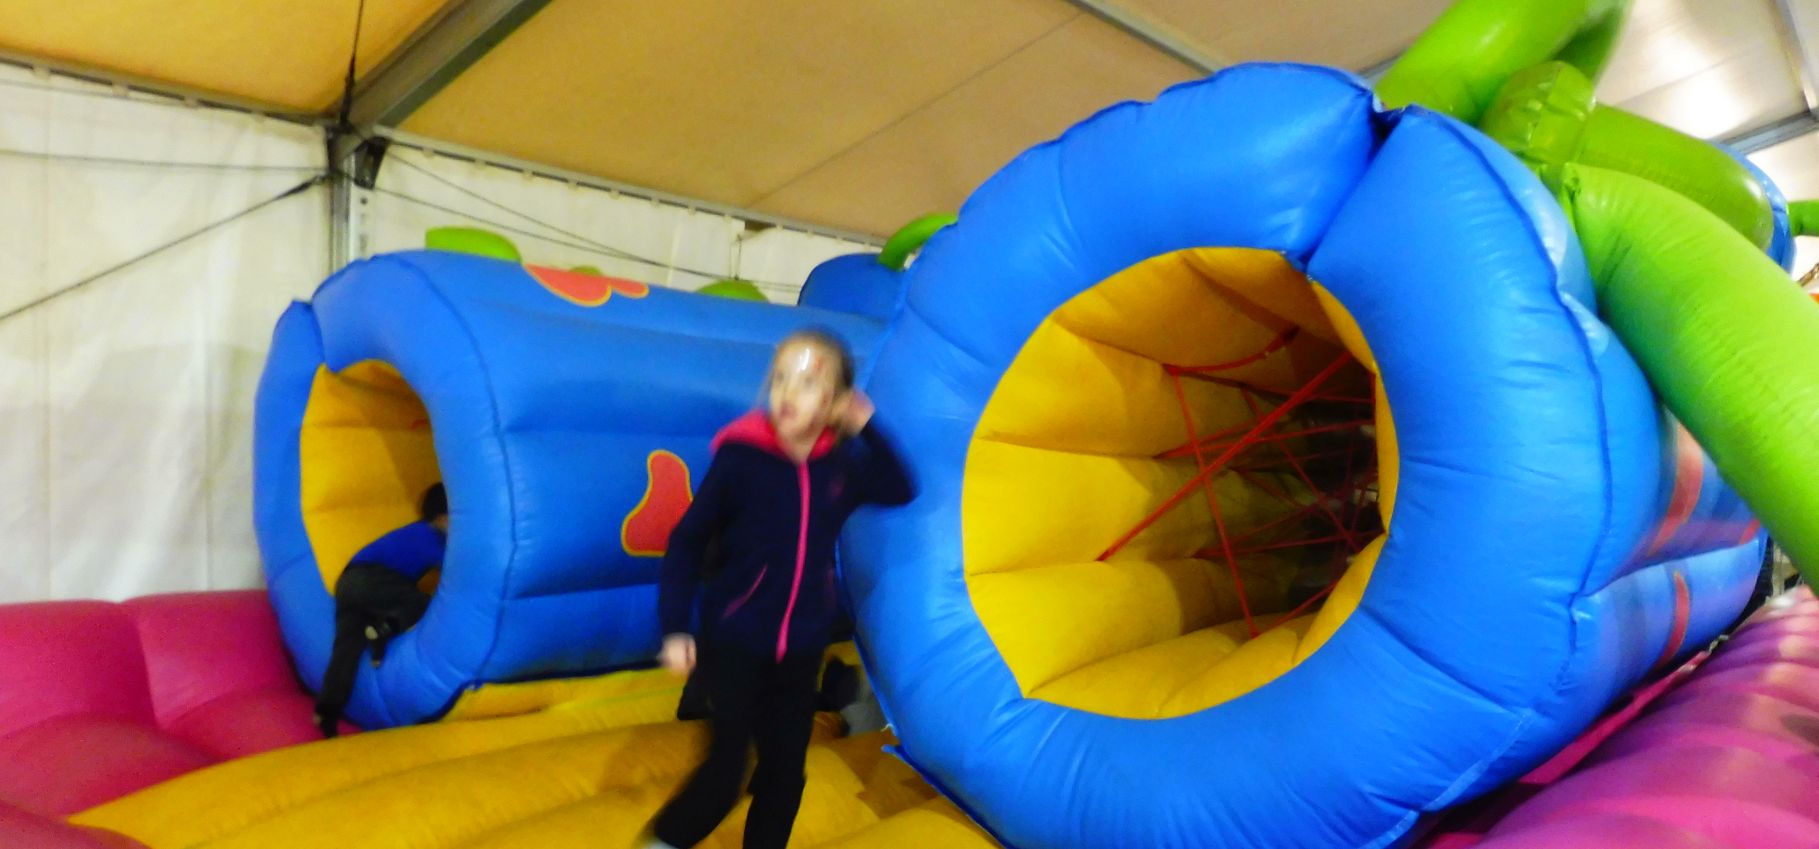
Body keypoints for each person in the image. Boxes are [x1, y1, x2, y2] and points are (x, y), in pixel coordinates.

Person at [644, 329, 913, 849]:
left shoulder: (841, 467)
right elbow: (687, 541)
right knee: (725, 773)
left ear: (835, 403)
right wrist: (675, 626)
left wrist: (869, 424)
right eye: (781, 379)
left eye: (808, 383)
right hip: (735, 640)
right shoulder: (742, 460)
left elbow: (901, 486)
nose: (788, 392)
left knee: (785, 776)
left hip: (800, 650)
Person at [313, 483, 449, 738]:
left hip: (348, 583)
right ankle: (382, 630)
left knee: (346, 650)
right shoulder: (432, 538)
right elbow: (456, 574)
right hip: (372, 579)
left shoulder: (413, 533)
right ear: (441, 517)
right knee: (424, 603)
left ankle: (326, 713)